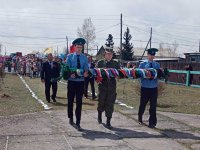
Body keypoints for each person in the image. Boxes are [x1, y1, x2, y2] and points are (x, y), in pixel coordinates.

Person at [66, 38, 89, 131]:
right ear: (74, 47)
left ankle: (78, 122)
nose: (79, 49)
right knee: (70, 101)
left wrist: (86, 73)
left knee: (79, 103)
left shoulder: (84, 58)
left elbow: (86, 69)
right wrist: (69, 73)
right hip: (71, 82)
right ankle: (71, 118)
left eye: (81, 47)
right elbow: (66, 69)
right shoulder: (70, 57)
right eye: (78, 47)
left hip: (80, 83)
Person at [96, 45, 120, 129]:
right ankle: (99, 115)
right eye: (108, 54)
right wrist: (97, 79)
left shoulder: (115, 63)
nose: (109, 55)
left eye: (111, 54)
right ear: (104, 54)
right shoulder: (100, 63)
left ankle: (108, 122)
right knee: (101, 102)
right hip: (102, 86)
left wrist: (118, 76)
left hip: (112, 87)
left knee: (110, 103)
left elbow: (119, 74)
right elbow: (96, 73)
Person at [138, 48, 160, 128]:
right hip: (145, 87)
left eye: (153, 55)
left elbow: (159, 75)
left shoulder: (157, 65)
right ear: (148, 55)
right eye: (150, 55)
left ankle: (152, 122)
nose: (152, 56)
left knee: (153, 106)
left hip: (154, 88)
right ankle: (140, 118)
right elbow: (140, 74)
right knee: (143, 104)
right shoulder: (142, 64)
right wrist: (146, 75)